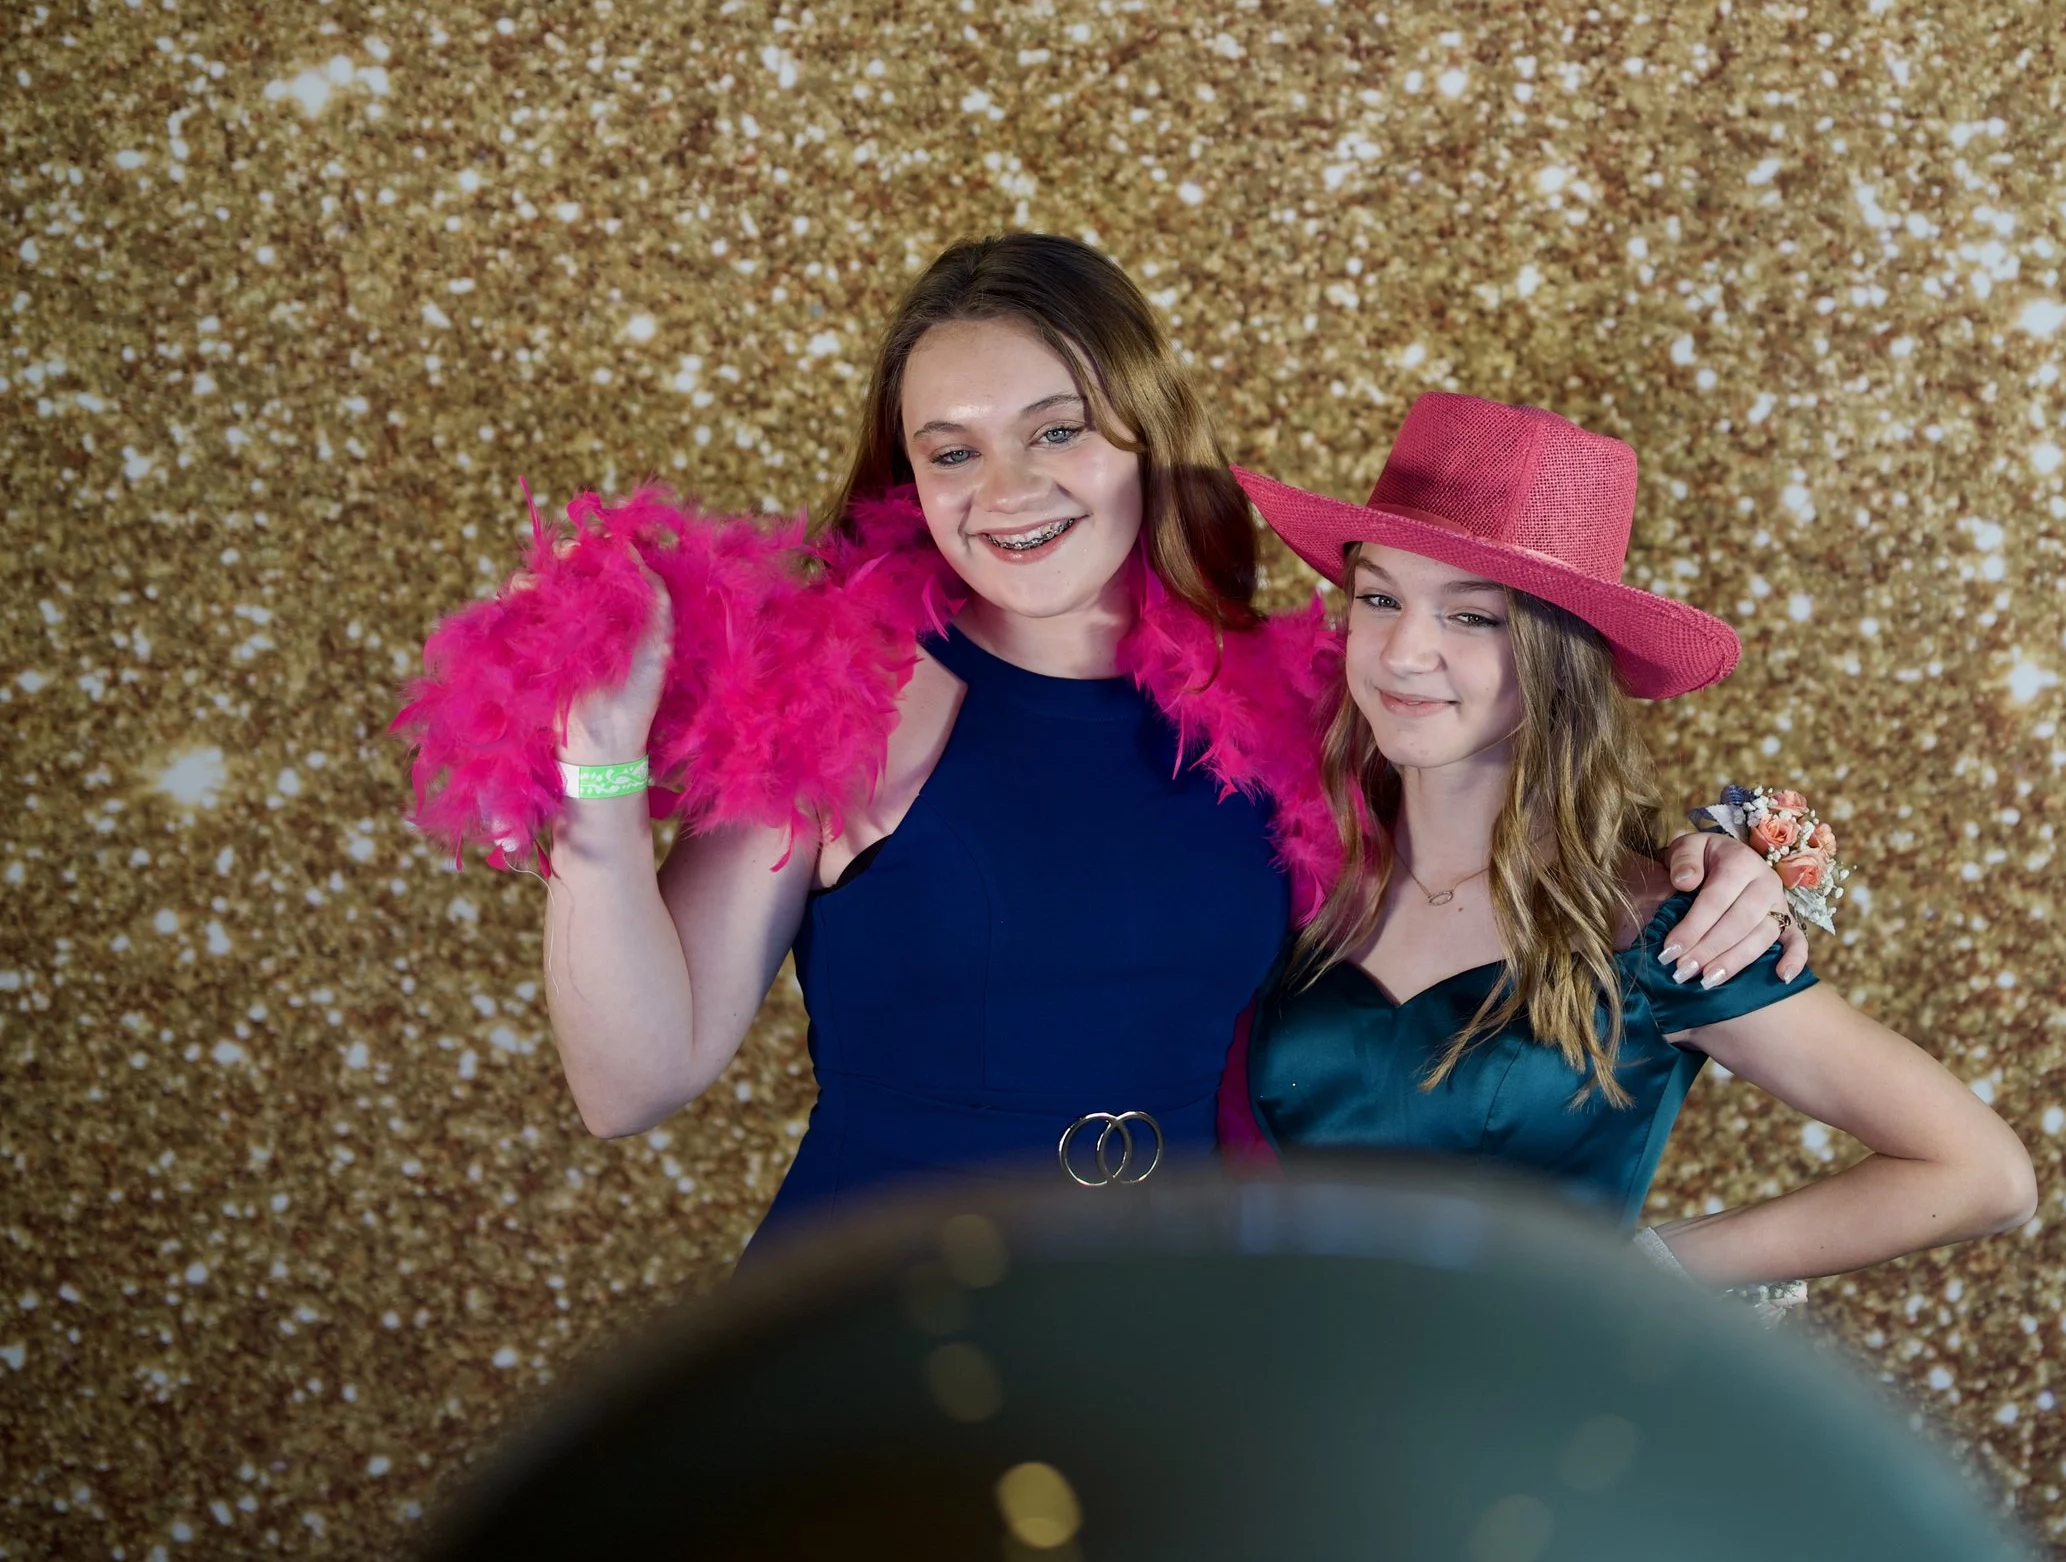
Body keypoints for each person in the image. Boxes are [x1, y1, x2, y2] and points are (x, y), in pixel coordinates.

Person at [394, 236, 1808, 1249]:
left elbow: (1516, 818)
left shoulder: (1306, 704)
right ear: (912, 479)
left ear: (1144, 435)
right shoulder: (849, 694)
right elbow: (633, 1079)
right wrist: (600, 759)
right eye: (950, 449)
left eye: (1055, 429)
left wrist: (1731, 859)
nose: (1003, 488)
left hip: (1177, 1353)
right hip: (887, 1339)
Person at [1235, 393, 2037, 1284]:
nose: (1402, 650)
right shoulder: (1293, 869)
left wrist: (1631, 1281)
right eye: (1378, 596)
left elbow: (1981, 1173)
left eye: (1474, 615)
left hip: (1507, 1410)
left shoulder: (1658, 925)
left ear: (1559, 655)